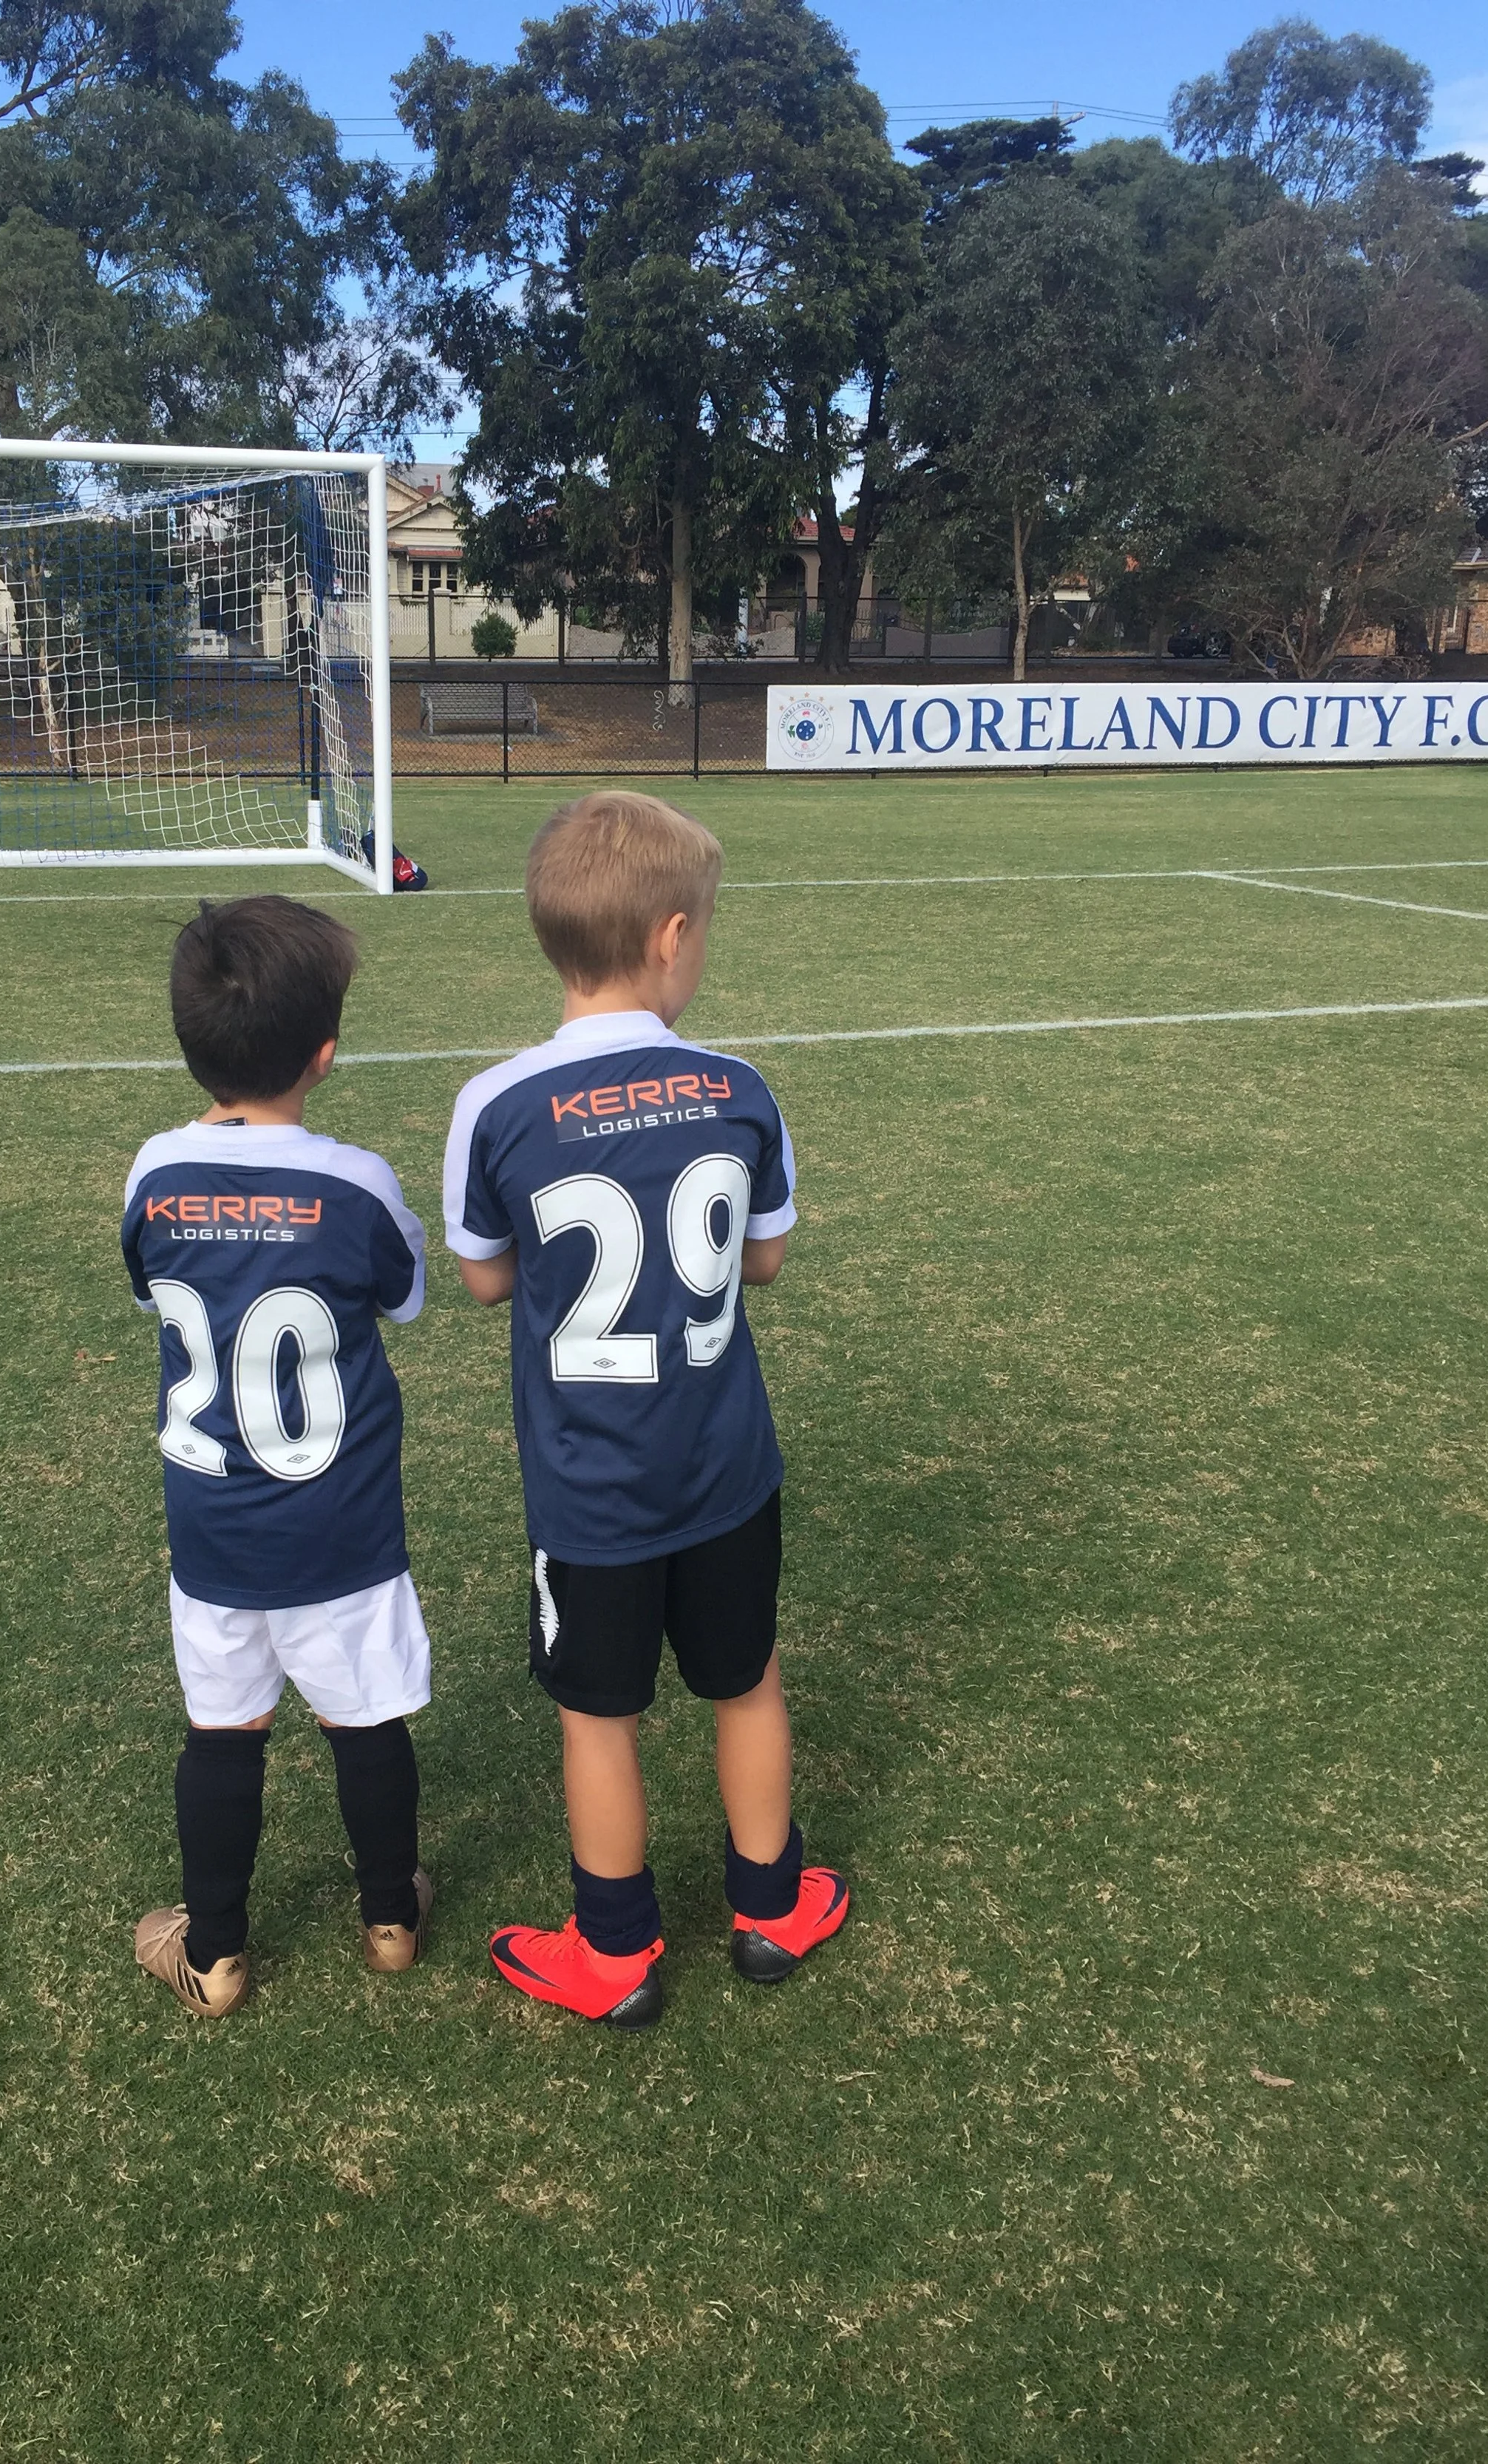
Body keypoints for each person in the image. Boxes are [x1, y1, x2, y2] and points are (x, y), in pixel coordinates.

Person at [443, 793, 849, 2029]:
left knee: (598, 1718)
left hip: (590, 1490)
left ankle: (616, 1951)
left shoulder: (495, 1104)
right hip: (726, 1469)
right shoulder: (737, 1084)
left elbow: (483, 1276)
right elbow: (766, 1263)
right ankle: (771, 1908)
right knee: (749, 1681)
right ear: (673, 937)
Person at [123, 895, 433, 2015]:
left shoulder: (152, 1172)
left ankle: (214, 1955)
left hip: (215, 1526)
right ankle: (390, 1918)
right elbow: (405, 1297)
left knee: (224, 1731)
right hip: (341, 1524)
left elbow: (147, 1276)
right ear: (326, 1052)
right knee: (366, 1720)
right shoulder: (356, 1181)